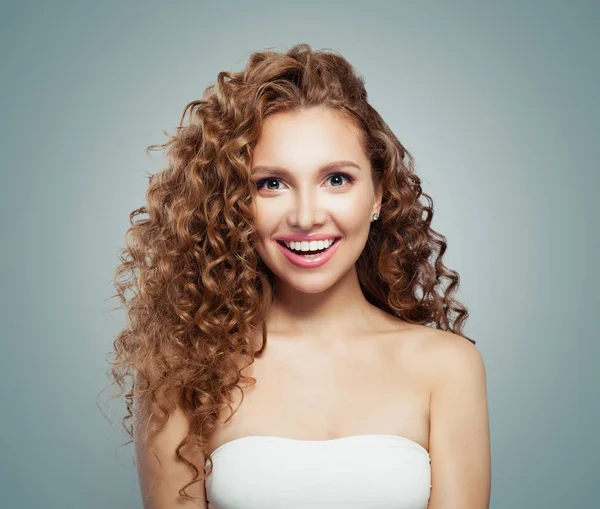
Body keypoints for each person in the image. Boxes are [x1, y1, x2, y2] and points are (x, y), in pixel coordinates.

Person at [107, 43, 491, 509]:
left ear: (378, 195)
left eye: (336, 179)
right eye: (271, 183)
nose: (306, 216)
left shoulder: (446, 367)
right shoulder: (182, 370)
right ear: (234, 205)